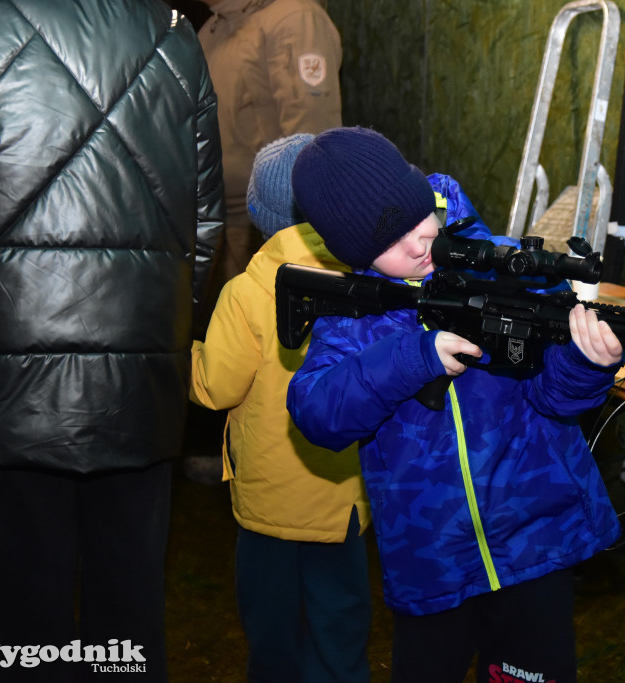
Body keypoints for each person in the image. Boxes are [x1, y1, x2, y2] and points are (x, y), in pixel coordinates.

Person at [286, 126, 623, 683]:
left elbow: (554, 399)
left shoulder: (505, 268)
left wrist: (587, 363)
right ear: (353, 253)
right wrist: (411, 358)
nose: (418, 245)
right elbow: (317, 413)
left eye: (419, 224)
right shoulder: (351, 318)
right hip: (431, 561)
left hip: (534, 546)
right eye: (389, 244)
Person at [0, 2, 224, 681]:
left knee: (24, 622)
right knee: (129, 615)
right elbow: (203, 228)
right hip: (138, 379)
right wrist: (154, 329)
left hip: (3, 379)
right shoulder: (175, 36)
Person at [189, 134, 372, 682]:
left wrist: (184, 352)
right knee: (339, 632)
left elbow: (215, 388)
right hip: (342, 505)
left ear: (263, 214)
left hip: (268, 507)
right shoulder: (364, 285)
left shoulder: (247, 292)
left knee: (273, 636)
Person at [187, 0, 344, 483]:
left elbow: (310, 133)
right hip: (215, 211)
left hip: (274, 222)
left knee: (277, 340)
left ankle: (286, 473)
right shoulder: (213, 27)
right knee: (232, 341)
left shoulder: (293, 19)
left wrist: (293, 225)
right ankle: (234, 451)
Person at [198, 0, 342, 292]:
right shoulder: (212, 28)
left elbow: (313, 139)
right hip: (216, 219)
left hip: (270, 230)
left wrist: (296, 240)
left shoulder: (293, 20)